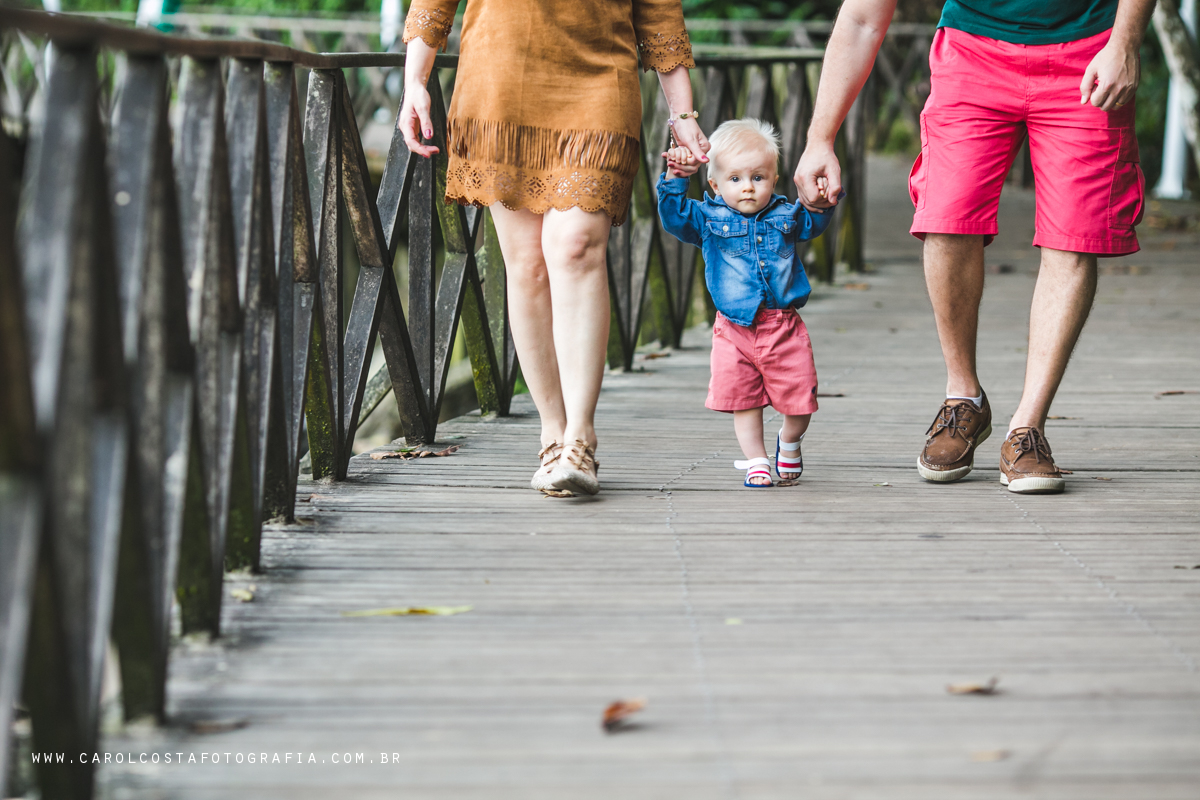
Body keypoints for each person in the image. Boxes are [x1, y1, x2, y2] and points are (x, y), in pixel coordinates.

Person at [794, 0, 1154, 494]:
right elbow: (860, 18)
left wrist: (1125, 41)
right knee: (946, 215)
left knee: (1073, 236)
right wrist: (820, 138)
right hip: (973, 52)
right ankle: (964, 398)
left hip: (1090, 50)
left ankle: (1028, 428)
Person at [398, 0, 710, 496]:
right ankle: (552, 432)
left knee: (575, 246)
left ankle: (581, 438)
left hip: (599, 80)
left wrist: (682, 112)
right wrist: (416, 79)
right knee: (526, 267)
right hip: (500, 79)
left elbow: (659, 11)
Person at [658, 120, 836, 488]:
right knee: (745, 401)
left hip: (783, 327)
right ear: (715, 184)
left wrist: (819, 200)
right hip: (734, 330)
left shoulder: (785, 216)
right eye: (735, 179)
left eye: (759, 177)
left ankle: (789, 441)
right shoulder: (708, 219)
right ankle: (756, 460)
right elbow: (674, 218)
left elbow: (812, 223)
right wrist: (676, 176)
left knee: (800, 402)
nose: (748, 188)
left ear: (774, 178)